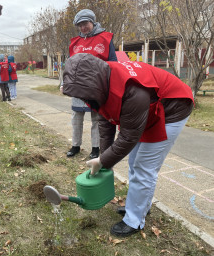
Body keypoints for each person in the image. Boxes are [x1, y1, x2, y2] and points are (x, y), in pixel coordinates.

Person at [63, 53, 194, 237]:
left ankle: (134, 220)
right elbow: (105, 122)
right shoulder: (101, 83)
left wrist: (102, 161)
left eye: (83, 94)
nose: (83, 99)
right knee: (134, 162)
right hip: (148, 110)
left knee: (144, 166)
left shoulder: (132, 91)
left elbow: (128, 137)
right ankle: (139, 206)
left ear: (93, 85)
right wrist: (104, 157)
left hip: (173, 108)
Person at [64, 9, 118, 159]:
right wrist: (65, 82)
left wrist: (110, 83)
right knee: (76, 117)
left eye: (85, 24)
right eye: (80, 25)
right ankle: (76, 145)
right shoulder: (75, 42)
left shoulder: (105, 39)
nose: (83, 27)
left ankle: (95, 148)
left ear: (92, 22)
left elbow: (113, 63)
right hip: (78, 86)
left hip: (96, 86)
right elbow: (70, 65)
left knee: (96, 118)